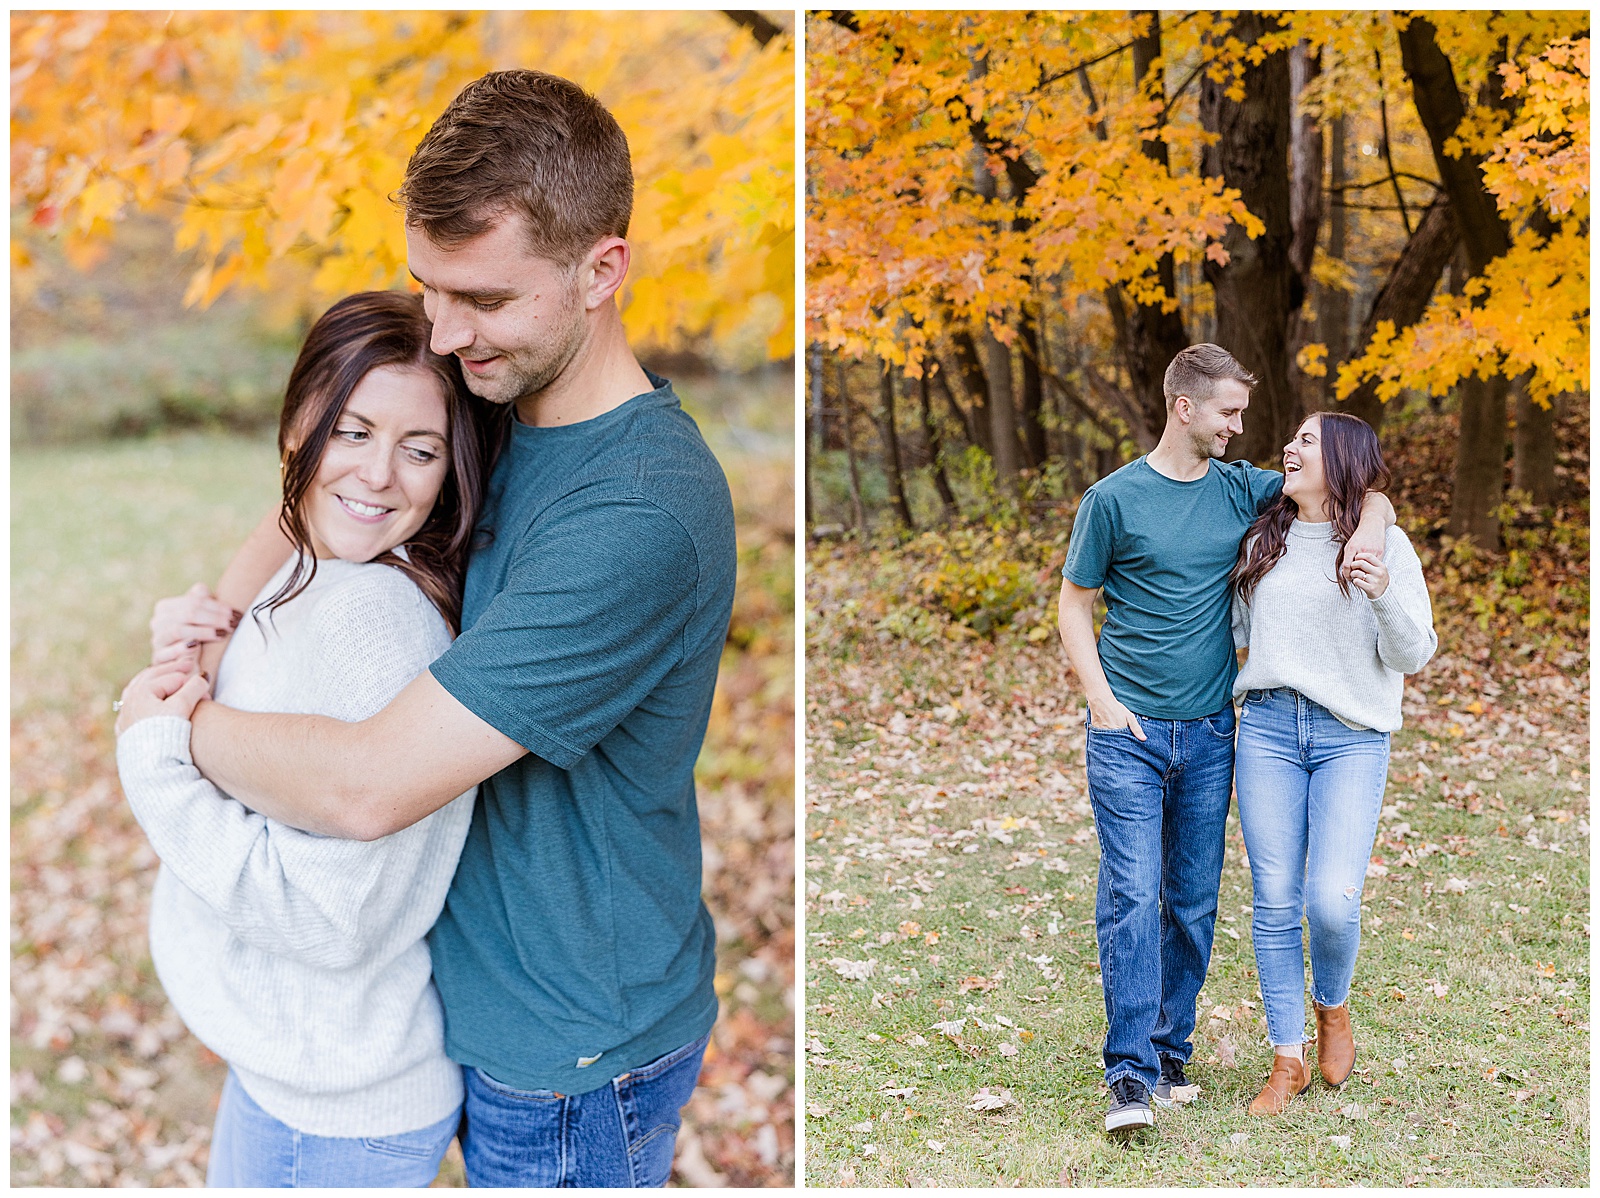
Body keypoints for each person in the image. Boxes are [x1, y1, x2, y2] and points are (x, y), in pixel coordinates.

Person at [131, 71, 737, 1187]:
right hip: (452, 998)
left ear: (604, 270)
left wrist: (172, 722)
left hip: (569, 1049)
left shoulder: (638, 512)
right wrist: (208, 626)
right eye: (430, 288)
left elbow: (369, 785)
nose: (447, 331)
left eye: (486, 299)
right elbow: (319, 489)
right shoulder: (493, 402)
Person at [114, 291, 489, 1185]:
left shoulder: (378, 627)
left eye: (421, 449)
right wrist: (202, 642)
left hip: (336, 1114)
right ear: (299, 426)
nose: (378, 476)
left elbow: (335, 921)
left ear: (452, 470)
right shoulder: (312, 560)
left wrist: (158, 760)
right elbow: (283, 524)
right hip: (296, 1082)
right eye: (352, 432)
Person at [1056, 343, 1395, 1134]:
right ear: (1185, 408)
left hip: (1213, 732)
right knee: (1134, 895)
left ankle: (1169, 1052)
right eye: (1229, 412)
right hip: (1128, 729)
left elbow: (1356, 490)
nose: (1242, 428)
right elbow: (1075, 605)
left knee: (1194, 904)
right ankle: (1130, 1076)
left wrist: (1374, 526)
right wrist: (1102, 704)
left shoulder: (1242, 491)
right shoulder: (1111, 500)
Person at [1229, 412, 1436, 1115]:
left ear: (1343, 458)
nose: (1289, 447)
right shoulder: (1264, 539)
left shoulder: (1387, 545)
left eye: (1308, 441)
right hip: (1266, 733)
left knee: (1332, 902)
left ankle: (1333, 1007)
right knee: (1275, 901)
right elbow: (1237, 631)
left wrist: (1378, 590)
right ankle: (1287, 1057)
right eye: (1291, 438)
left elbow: (1414, 654)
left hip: (1351, 736)